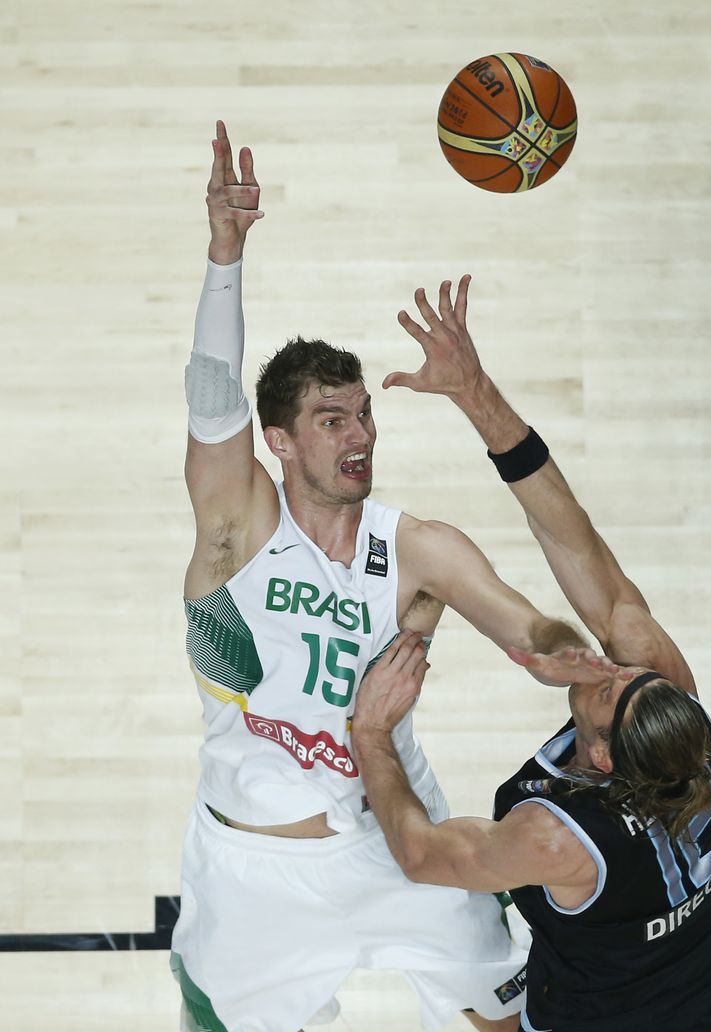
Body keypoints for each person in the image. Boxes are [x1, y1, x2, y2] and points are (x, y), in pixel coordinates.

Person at [171, 121, 610, 1032]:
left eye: (364, 414)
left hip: (397, 841)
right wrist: (225, 254)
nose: (360, 434)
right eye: (332, 419)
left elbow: (528, 630)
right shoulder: (236, 526)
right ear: (281, 442)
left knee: (506, 1022)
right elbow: (213, 399)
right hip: (256, 877)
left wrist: (570, 654)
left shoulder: (417, 548)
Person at [351, 279, 711, 1032]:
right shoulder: (668, 704)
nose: (615, 667)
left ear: (602, 760)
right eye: (632, 675)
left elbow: (420, 855)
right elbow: (574, 536)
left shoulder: (558, 839)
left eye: (610, 692)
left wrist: (371, 735)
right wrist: (476, 395)